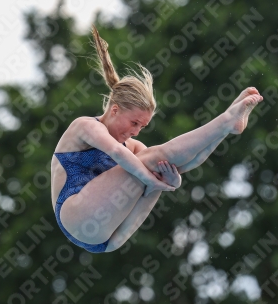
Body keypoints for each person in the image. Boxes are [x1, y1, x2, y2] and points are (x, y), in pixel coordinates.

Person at [50, 26, 263, 253]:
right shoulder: (86, 126)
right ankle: (225, 121)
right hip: (75, 216)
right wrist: (154, 181)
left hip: (110, 238)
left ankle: (225, 128)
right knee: (150, 163)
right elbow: (118, 153)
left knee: (159, 165)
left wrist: (172, 180)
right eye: (134, 123)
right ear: (114, 110)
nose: (136, 132)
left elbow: (177, 164)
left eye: (142, 126)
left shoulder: (133, 147)